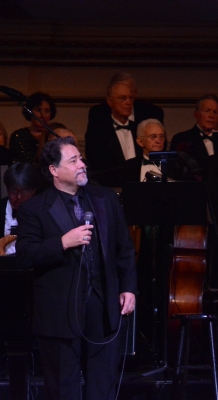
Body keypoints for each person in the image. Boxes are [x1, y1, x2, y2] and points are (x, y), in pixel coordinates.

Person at [16, 137, 137, 400]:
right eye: (73, 161)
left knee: (102, 386)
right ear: (54, 170)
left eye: (80, 159)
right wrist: (62, 242)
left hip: (103, 309)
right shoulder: (34, 209)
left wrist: (129, 288)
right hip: (60, 314)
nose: (82, 164)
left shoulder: (105, 198)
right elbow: (25, 255)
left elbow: (124, 249)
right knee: (63, 387)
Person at [85, 75, 161, 186]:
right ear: (110, 102)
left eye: (131, 98)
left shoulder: (140, 129)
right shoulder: (98, 133)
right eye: (123, 98)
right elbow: (96, 167)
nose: (128, 102)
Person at [170, 94, 218, 169]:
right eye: (207, 111)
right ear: (196, 114)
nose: (211, 115)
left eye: (215, 112)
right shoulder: (181, 139)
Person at [0, 162, 42, 255]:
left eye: (25, 191)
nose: (19, 196)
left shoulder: (43, 212)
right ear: (7, 189)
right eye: (14, 190)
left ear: (33, 190)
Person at [10, 92, 56, 163]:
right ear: (29, 112)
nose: (42, 115)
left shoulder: (55, 136)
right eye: (38, 110)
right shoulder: (18, 136)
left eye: (47, 111)